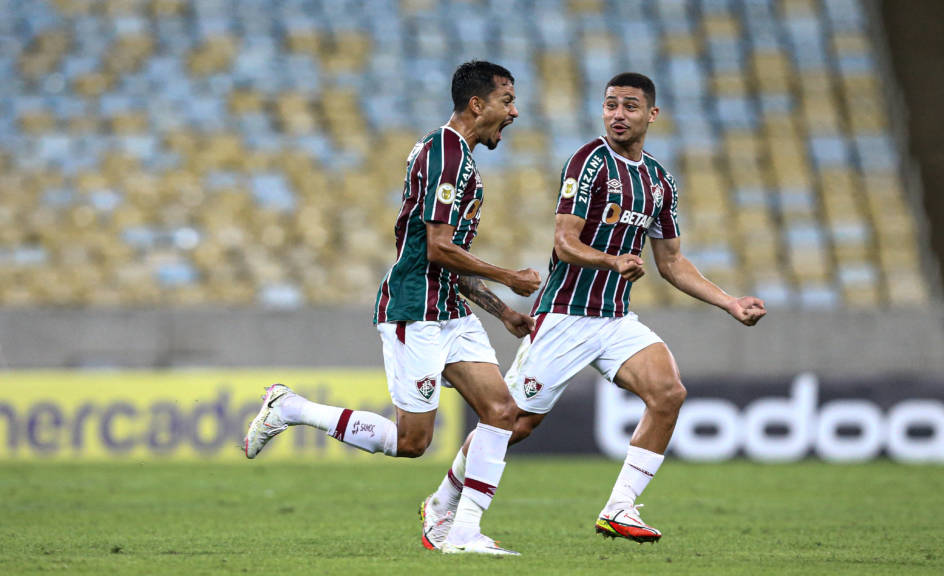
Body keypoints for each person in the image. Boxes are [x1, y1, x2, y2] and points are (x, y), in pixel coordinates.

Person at [420, 72, 767, 546]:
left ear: (652, 114)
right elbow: (564, 242)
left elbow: (671, 262)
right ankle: (442, 502)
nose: (617, 115)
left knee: (668, 393)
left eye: (629, 106)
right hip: (566, 314)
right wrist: (611, 260)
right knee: (515, 423)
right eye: (610, 105)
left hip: (615, 319)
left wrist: (729, 302)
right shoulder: (589, 162)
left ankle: (619, 507)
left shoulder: (659, 182)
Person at [243, 60, 541, 556]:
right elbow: (438, 249)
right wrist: (508, 277)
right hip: (414, 309)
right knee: (412, 442)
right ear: (477, 104)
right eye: (506, 101)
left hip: (448, 307)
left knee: (502, 412)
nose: (514, 112)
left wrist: (502, 310)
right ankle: (290, 408)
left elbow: (442, 255)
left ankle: (459, 528)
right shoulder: (446, 154)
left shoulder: (453, 154)